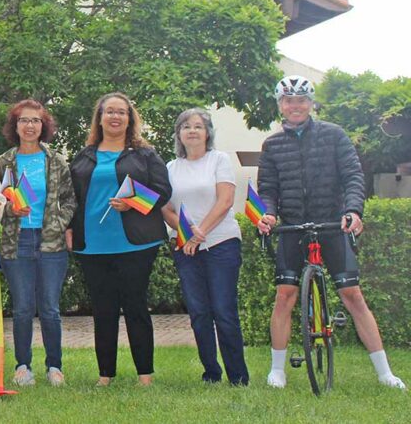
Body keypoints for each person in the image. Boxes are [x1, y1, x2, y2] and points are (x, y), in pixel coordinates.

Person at [257, 75, 405, 390]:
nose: (295, 106)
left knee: (353, 295)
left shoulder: (334, 135)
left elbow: (353, 176)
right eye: (288, 100)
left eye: (301, 100)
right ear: (281, 105)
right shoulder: (271, 144)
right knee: (285, 296)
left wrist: (353, 211)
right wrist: (268, 214)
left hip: (332, 223)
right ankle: (277, 371)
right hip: (292, 225)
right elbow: (267, 189)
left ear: (311, 104)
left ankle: (385, 373)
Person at [69, 92, 170, 387]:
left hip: (135, 244)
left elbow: (163, 190)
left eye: (121, 112)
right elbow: (72, 197)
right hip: (93, 245)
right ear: (99, 118)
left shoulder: (144, 154)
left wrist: (133, 202)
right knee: (103, 310)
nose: (115, 117)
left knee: (136, 306)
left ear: (130, 118)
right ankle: (105, 375)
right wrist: (69, 230)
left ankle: (145, 375)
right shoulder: (84, 156)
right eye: (109, 112)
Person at [161, 109, 248, 385]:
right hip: (185, 248)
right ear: (178, 134)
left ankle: (238, 376)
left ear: (207, 133)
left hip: (221, 244)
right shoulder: (170, 168)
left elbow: (225, 201)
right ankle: (211, 372)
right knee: (199, 313)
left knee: (223, 310)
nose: (192, 131)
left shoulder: (219, 160)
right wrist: (186, 234)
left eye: (198, 126)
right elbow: (166, 207)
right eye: (185, 126)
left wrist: (199, 234)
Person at [0, 99, 75, 387]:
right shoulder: (4, 162)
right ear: (15, 126)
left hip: (50, 241)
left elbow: (69, 200)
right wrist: (9, 210)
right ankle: (22, 366)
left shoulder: (55, 160)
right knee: (22, 308)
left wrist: (58, 224)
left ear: (44, 126)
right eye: (24, 120)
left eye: (35, 121)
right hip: (17, 242)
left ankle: (55, 366)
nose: (30, 126)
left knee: (50, 308)